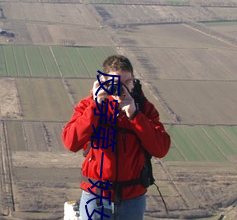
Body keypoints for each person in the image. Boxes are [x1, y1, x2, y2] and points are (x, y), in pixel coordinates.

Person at [62, 55, 171, 220]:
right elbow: (71, 142)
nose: (122, 88)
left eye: (127, 82)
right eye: (115, 82)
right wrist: (95, 107)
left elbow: (161, 148)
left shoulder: (144, 109)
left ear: (133, 81)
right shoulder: (89, 105)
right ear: (103, 81)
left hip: (132, 197)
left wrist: (135, 116)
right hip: (96, 194)